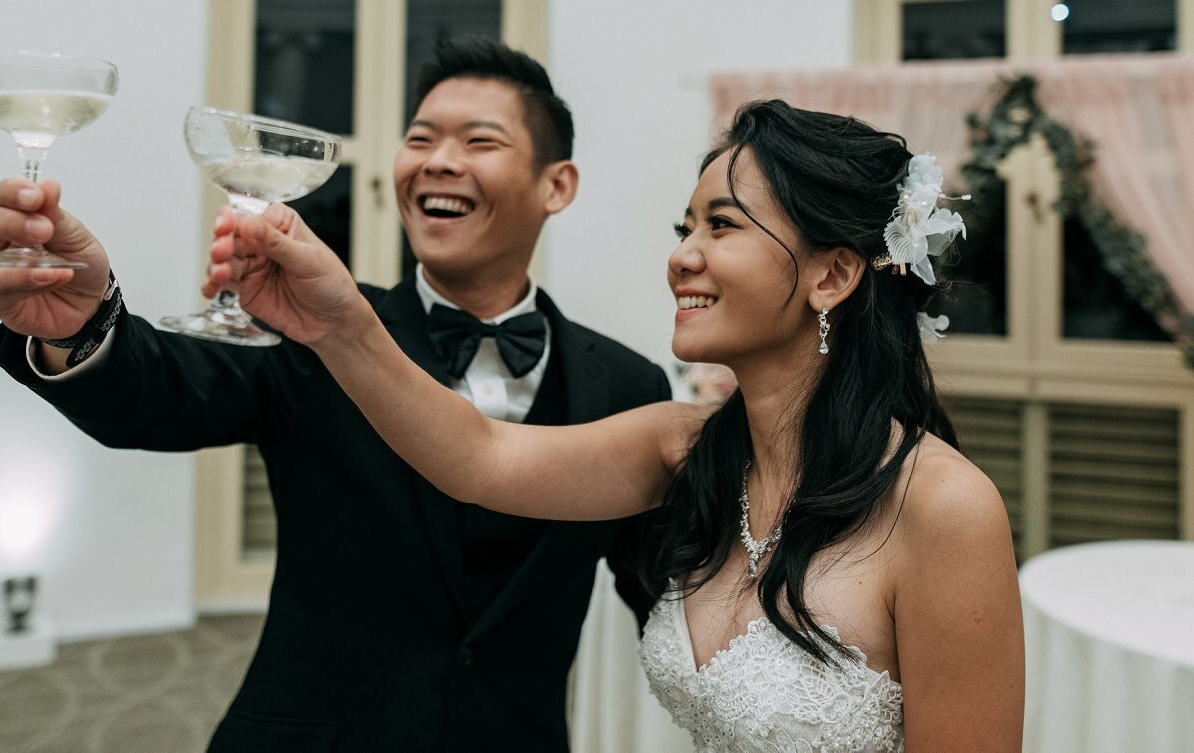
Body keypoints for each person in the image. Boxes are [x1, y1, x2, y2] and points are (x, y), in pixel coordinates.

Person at [205, 99, 1027, 751]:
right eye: (685, 227)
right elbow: (477, 456)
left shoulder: (943, 509)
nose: (682, 255)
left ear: (834, 274)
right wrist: (338, 320)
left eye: (723, 225)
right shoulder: (683, 446)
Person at [0, 38, 671, 753]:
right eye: (419, 139)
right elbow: (162, 391)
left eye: (480, 141)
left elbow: (671, 599)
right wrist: (83, 323)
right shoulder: (317, 323)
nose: (438, 161)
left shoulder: (630, 389)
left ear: (558, 184)